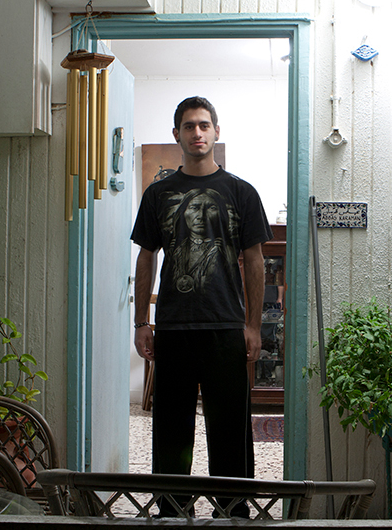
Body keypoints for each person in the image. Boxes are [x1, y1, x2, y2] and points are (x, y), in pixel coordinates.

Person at [131, 96, 272, 518]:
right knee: (171, 429)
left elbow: (254, 261)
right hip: (173, 327)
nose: (197, 133)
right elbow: (146, 257)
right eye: (189, 126)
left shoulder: (242, 193)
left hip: (226, 327)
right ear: (177, 134)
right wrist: (142, 322)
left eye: (204, 125)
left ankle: (233, 508)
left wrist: (253, 325)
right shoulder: (158, 195)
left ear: (216, 132)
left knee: (230, 427)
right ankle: (172, 507)